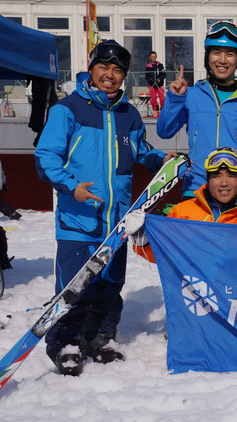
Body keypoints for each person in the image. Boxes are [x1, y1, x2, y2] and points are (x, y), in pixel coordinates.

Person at [35, 39, 169, 376]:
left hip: (116, 220)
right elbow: (46, 156)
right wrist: (70, 186)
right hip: (78, 219)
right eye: (104, 67)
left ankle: (100, 338)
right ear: (91, 69)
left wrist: (161, 161)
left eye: (118, 70)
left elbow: (141, 151)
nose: (110, 75)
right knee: (74, 286)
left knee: (109, 284)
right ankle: (65, 342)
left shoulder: (128, 113)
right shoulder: (69, 109)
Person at [157, 21, 237, 206]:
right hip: (197, 189)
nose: (223, 60)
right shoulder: (191, 95)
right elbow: (164, 131)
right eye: (216, 52)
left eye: (230, 54)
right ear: (207, 57)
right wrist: (175, 99)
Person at [128, 147, 237, 262]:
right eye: (216, 176)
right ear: (208, 179)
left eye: (231, 176)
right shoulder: (182, 212)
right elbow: (164, 256)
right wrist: (143, 239)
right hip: (193, 295)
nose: (224, 183)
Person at [145, 51, 166, 118]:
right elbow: (147, 76)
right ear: (150, 57)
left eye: (155, 56)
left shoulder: (160, 65)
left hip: (160, 85)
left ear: (156, 57)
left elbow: (164, 74)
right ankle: (156, 111)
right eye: (152, 56)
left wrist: (159, 79)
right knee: (153, 99)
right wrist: (151, 80)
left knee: (162, 99)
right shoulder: (148, 66)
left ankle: (163, 111)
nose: (154, 58)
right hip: (152, 85)